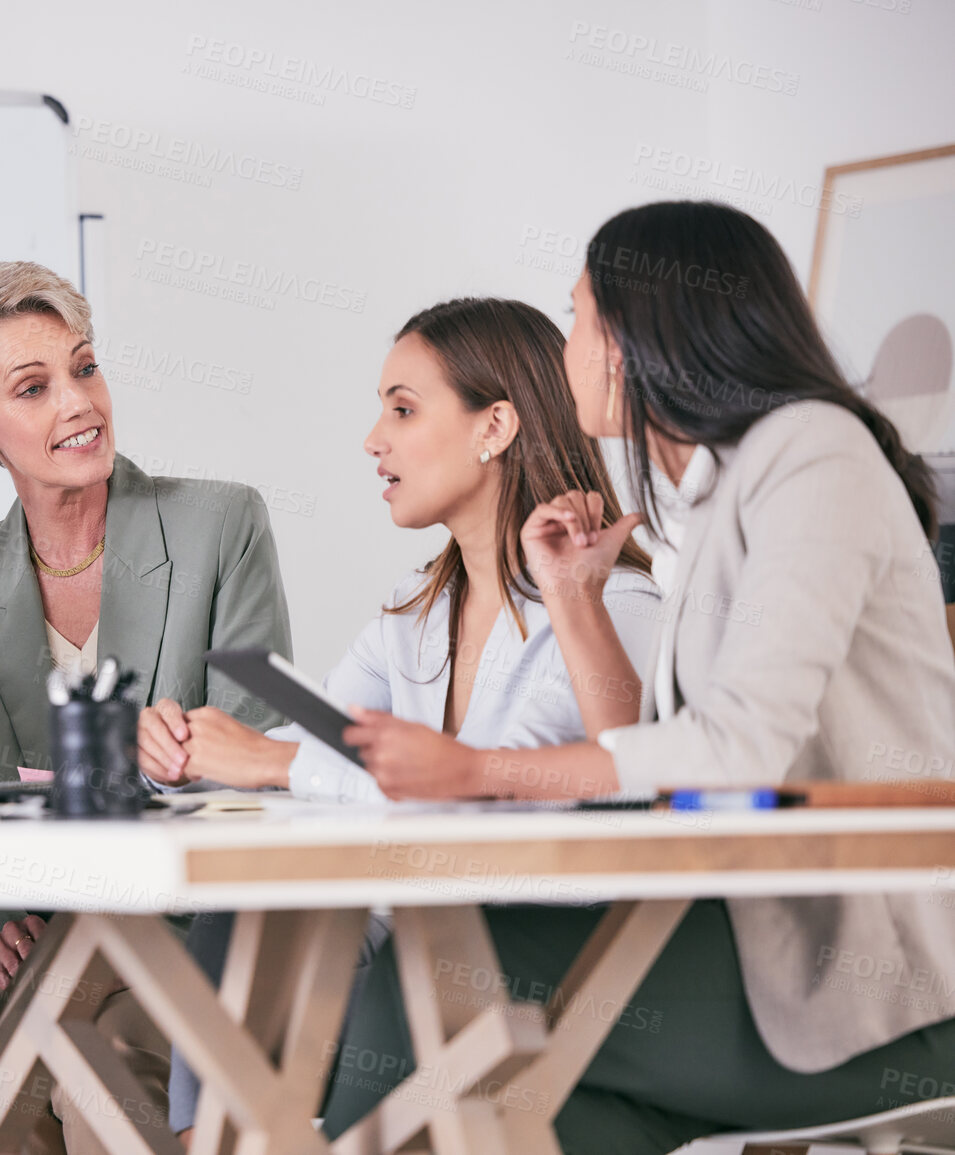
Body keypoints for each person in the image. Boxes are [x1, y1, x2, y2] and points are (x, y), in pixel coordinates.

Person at [320, 202, 955, 1154]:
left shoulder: (812, 451)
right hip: (748, 942)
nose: (566, 342)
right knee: (522, 1113)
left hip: (871, 989)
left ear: (635, 334)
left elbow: (733, 751)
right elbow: (659, 759)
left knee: (438, 967)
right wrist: (572, 595)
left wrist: (477, 770)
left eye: (576, 316)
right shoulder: (716, 490)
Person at [146, 297, 662, 1138]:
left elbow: (485, 801)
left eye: (402, 408)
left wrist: (273, 763)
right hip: (407, 950)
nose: (372, 438)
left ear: (494, 426)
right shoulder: (409, 612)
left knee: (239, 979)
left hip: (528, 972)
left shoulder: (612, 609)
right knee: (237, 919)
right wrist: (185, 748)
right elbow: (316, 746)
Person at [0, 261, 292, 1154]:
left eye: (84, 368)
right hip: (35, 940)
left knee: (77, 1081)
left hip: (184, 935)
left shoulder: (219, 524)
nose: (79, 403)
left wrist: (183, 753)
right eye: (34, 387)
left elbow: (257, 759)